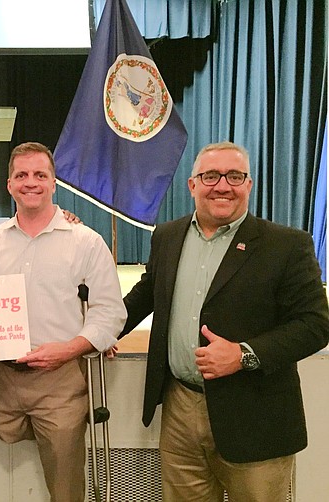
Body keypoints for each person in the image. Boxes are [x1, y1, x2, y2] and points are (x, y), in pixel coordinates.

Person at [120, 141, 329, 502]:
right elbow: (145, 296)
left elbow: (315, 324)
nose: (222, 185)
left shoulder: (287, 245)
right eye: (211, 175)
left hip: (256, 415)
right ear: (192, 184)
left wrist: (244, 354)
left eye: (235, 176)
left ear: (248, 185)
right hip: (180, 409)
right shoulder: (167, 236)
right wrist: (95, 335)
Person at [0, 142, 127, 502]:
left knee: (66, 486)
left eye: (41, 175)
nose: (31, 182)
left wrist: (74, 347)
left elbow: (109, 311)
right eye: (21, 175)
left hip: (62, 380)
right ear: (9, 184)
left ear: (54, 182)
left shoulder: (86, 242)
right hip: (2, 379)